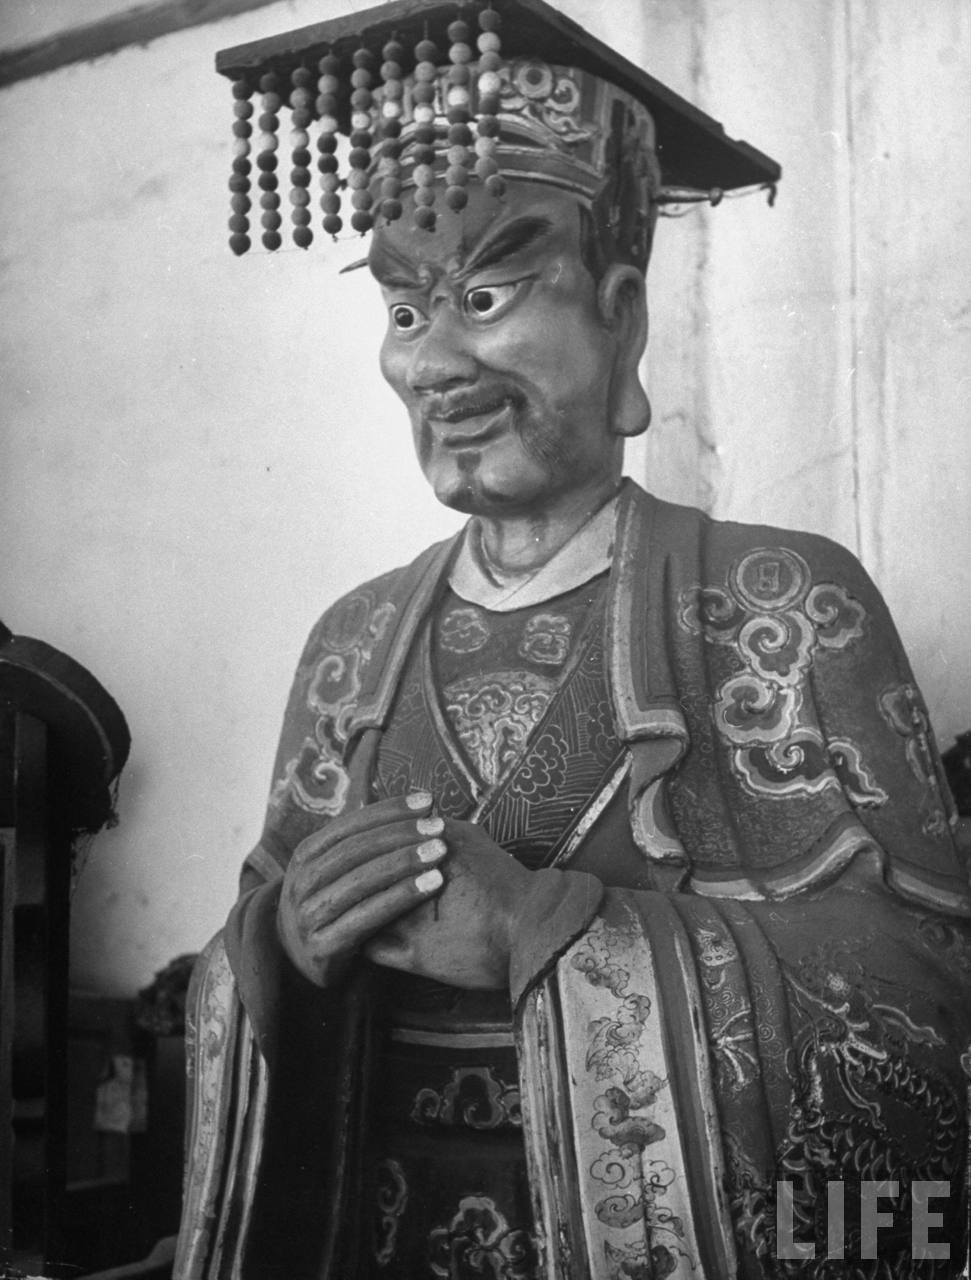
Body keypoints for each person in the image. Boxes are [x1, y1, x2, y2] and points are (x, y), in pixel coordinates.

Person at [175, 2, 971, 1276]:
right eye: (403, 310)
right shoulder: (351, 645)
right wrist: (282, 947)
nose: (433, 362)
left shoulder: (777, 604)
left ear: (621, 318)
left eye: (486, 294)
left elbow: (926, 997)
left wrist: (540, 928)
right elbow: (252, 935)